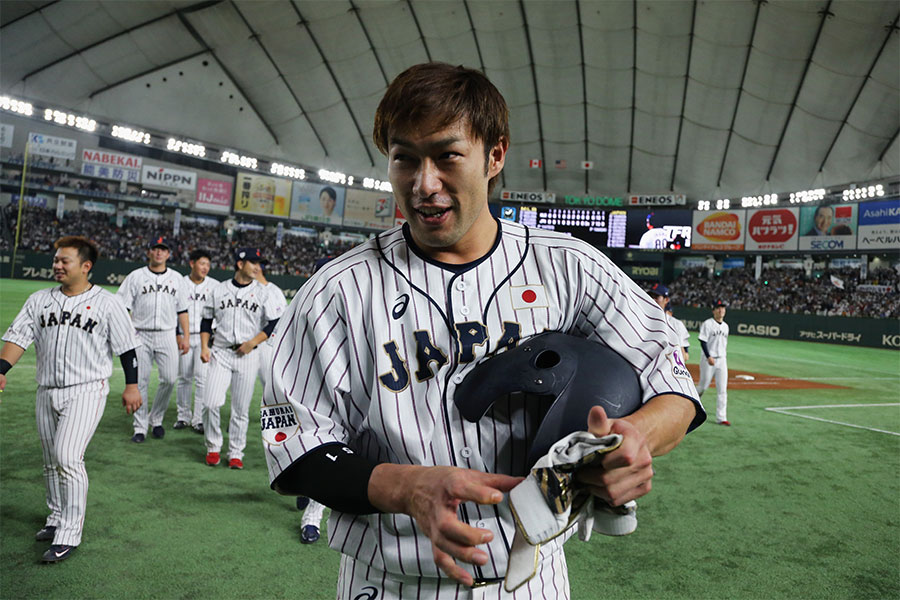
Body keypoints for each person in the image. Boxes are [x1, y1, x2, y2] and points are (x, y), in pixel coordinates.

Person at [261, 62, 704, 598]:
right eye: (404, 158)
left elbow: (671, 378)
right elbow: (297, 449)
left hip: (534, 580)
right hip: (392, 583)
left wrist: (637, 441)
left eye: (447, 155)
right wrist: (406, 487)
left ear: (495, 155)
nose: (424, 184)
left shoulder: (569, 268)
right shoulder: (337, 290)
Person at [0, 236, 141, 563]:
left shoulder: (107, 303)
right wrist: (2, 368)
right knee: (51, 458)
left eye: (65, 261)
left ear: (86, 266)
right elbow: (18, 338)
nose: (57, 265)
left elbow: (128, 349)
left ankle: (69, 533)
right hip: (46, 389)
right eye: (56, 260)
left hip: (86, 390)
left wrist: (132, 386)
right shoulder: (39, 300)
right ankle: (55, 517)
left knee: (67, 456)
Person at [199, 248, 284, 469]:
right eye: (253, 263)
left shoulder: (263, 292)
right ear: (240, 264)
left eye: (260, 263)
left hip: (248, 355)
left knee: (240, 408)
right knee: (210, 403)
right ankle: (213, 446)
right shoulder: (219, 290)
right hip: (221, 351)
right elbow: (206, 320)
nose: (258, 267)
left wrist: (253, 342)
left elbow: (274, 322)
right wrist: (204, 347)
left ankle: (236, 451)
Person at [116, 237, 189, 442]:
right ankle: (140, 427)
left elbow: (182, 310)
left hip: (167, 334)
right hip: (140, 334)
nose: (159, 253)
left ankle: (156, 418)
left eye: (163, 249)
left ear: (168, 254)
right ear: (149, 252)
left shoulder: (177, 279)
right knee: (140, 381)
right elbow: (123, 308)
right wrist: (126, 332)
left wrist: (185, 335)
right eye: (155, 249)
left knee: (169, 378)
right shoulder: (136, 276)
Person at [174, 249, 218, 433]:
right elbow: (174, 310)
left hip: (204, 338)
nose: (205, 268)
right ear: (192, 263)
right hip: (184, 337)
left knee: (202, 379)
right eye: (202, 263)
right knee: (184, 378)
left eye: (208, 264)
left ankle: (198, 419)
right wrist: (178, 335)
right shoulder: (179, 283)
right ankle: (183, 416)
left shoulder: (215, 286)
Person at [697, 300, 730, 425]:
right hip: (708, 360)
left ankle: (721, 417)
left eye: (722, 308)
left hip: (722, 360)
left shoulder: (726, 326)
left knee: (722, 390)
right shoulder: (708, 324)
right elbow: (703, 341)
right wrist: (708, 356)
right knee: (703, 386)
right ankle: (691, 405)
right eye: (718, 308)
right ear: (714, 310)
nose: (721, 310)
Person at [648, 283, 689, 361]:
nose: (653, 300)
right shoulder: (641, 319)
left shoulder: (676, 324)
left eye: (656, 297)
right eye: (651, 296)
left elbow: (685, 356)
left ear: (666, 300)